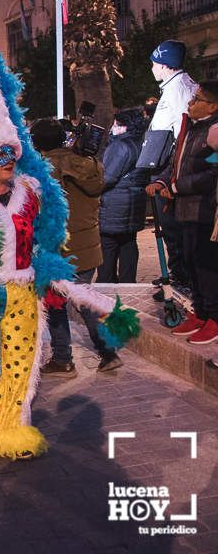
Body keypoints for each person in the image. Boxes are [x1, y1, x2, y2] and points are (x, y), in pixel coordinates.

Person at [0, 26, 139, 460]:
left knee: (20, 368)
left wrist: (50, 270)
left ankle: (10, 429)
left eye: (12, 152)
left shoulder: (32, 192)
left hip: (21, 293)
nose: (9, 161)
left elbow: (43, 239)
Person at [31, 119, 122, 375]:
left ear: (37, 143)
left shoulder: (43, 169)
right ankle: (108, 351)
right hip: (89, 244)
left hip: (60, 248)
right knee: (85, 300)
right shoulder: (88, 163)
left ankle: (62, 358)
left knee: (57, 302)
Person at [146, 81, 218, 344]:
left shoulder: (214, 130)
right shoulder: (190, 128)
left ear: (213, 105)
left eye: (197, 99)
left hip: (206, 211)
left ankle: (214, 318)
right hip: (183, 210)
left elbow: (212, 175)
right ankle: (199, 313)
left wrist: (176, 187)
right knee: (190, 264)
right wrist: (163, 182)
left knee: (207, 267)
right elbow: (176, 162)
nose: (191, 103)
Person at [147, 40, 199, 292]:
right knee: (173, 227)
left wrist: (171, 173)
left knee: (172, 226)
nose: (152, 68)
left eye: (155, 64)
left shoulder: (177, 89)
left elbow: (182, 132)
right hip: (171, 164)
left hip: (171, 165)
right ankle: (179, 273)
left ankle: (181, 278)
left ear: (166, 65)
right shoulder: (179, 85)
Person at [97, 109, 150, 283]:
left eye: (116, 124)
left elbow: (108, 177)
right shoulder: (141, 142)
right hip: (133, 202)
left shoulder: (120, 145)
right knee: (128, 244)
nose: (112, 127)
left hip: (115, 204)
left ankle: (107, 286)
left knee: (108, 246)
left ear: (125, 126)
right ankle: (128, 284)